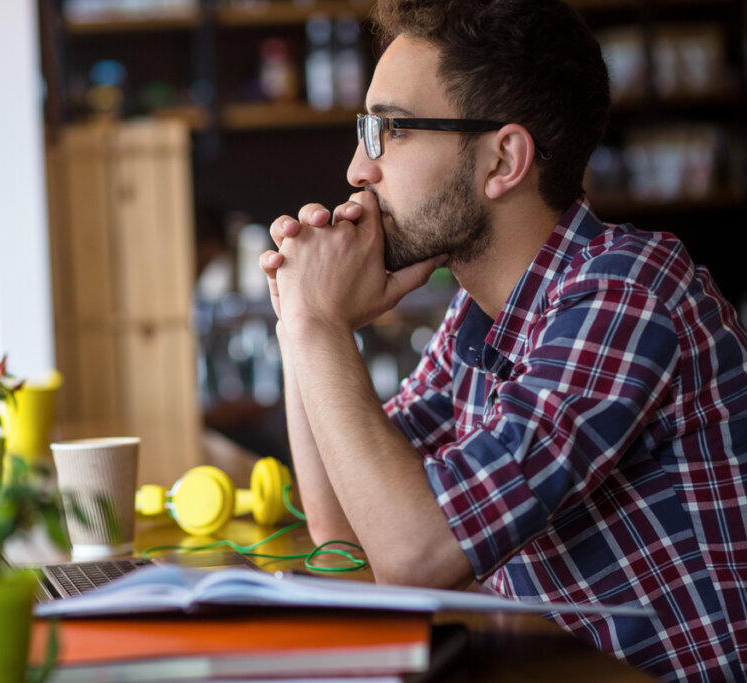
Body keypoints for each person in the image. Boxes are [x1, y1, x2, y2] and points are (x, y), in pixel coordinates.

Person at [258, 1, 747, 680]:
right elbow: (343, 531)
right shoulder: (480, 316)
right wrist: (298, 314)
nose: (357, 170)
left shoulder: (628, 293)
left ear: (504, 159)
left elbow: (414, 554)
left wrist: (320, 325)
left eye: (388, 131)